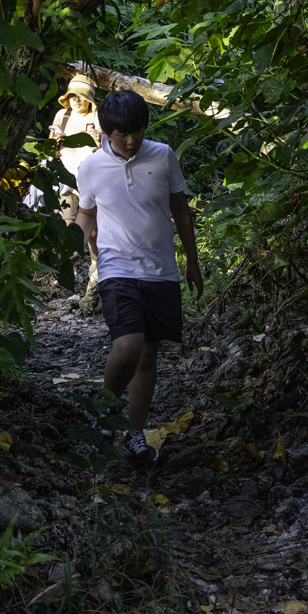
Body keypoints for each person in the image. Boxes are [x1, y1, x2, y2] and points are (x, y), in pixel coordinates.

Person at [74, 88, 203, 467]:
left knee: (148, 354)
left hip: (161, 270)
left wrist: (192, 261)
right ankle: (104, 417)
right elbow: (86, 214)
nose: (130, 142)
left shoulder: (163, 156)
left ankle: (134, 434)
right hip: (117, 268)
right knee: (127, 346)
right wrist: (73, 247)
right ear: (106, 132)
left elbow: (181, 211)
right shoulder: (91, 167)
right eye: (121, 136)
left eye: (138, 133)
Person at [49, 73, 102, 227]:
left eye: (81, 96)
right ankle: (73, 252)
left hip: (90, 180)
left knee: (92, 230)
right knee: (69, 225)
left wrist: (98, 142)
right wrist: (54, 143)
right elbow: (50, 147)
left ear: (90, 99)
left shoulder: (97, 118)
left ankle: (93, 252)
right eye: (73, 96)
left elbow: (105, 150)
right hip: (65, 178)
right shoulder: (62, 116)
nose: (77, 100)